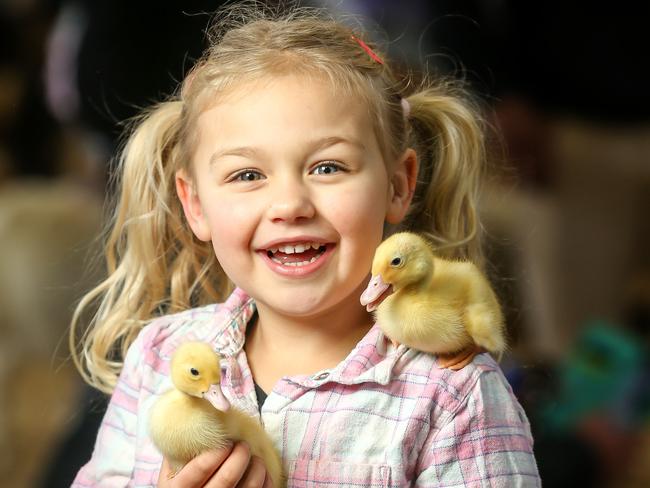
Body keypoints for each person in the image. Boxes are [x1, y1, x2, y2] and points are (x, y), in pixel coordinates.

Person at [70, 3, 540, 486]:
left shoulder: (454, 394)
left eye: (328, 167)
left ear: (398, 185)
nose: (290, 204)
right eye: (247, 174)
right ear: (196, 206)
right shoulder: (159, 357)